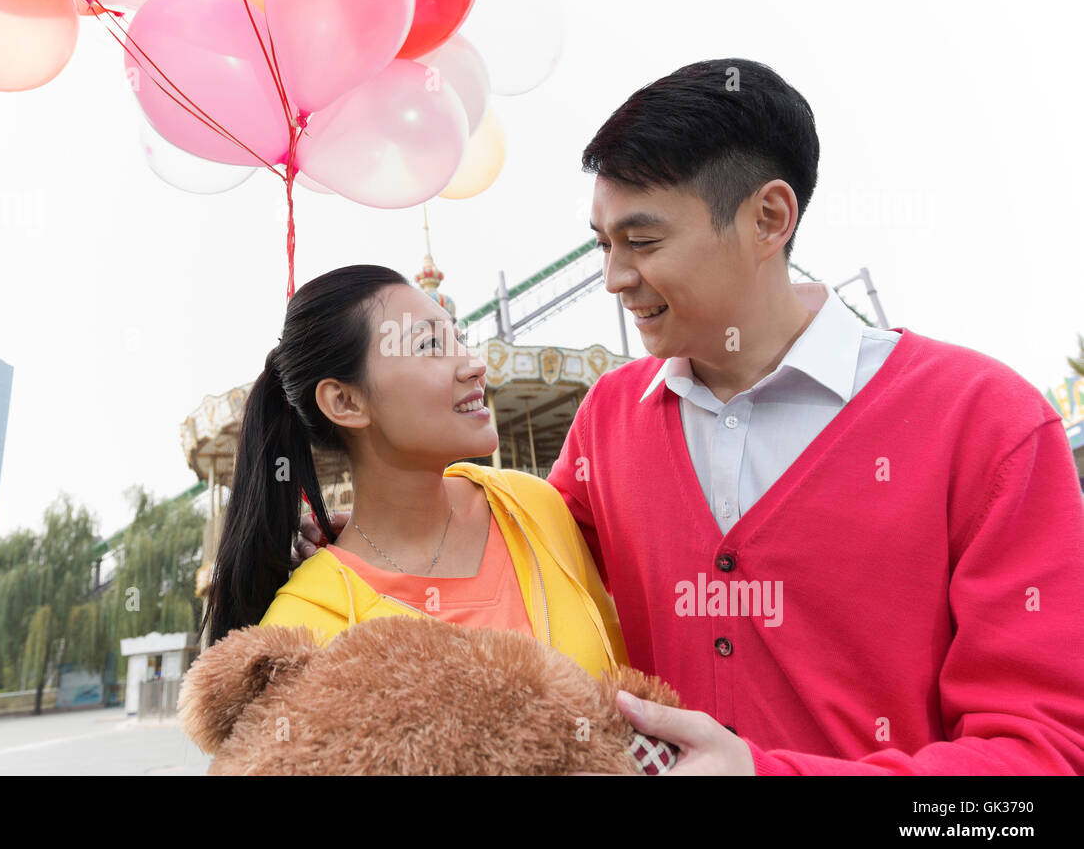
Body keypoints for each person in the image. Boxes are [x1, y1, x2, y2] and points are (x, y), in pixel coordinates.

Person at [303, 58, 1084, 775]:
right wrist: (363, 529)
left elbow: (1037, 764)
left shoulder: (987, 426)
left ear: (769, 220)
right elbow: (522, 553)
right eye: (602, 244)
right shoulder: (610, 421)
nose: (614, 278)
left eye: (641, 240)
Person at [198, 264, 629, 681]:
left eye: (459, 339)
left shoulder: (529, 506)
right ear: (345, 402)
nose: (474, 364)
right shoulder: (306, 625)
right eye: (429, 346)